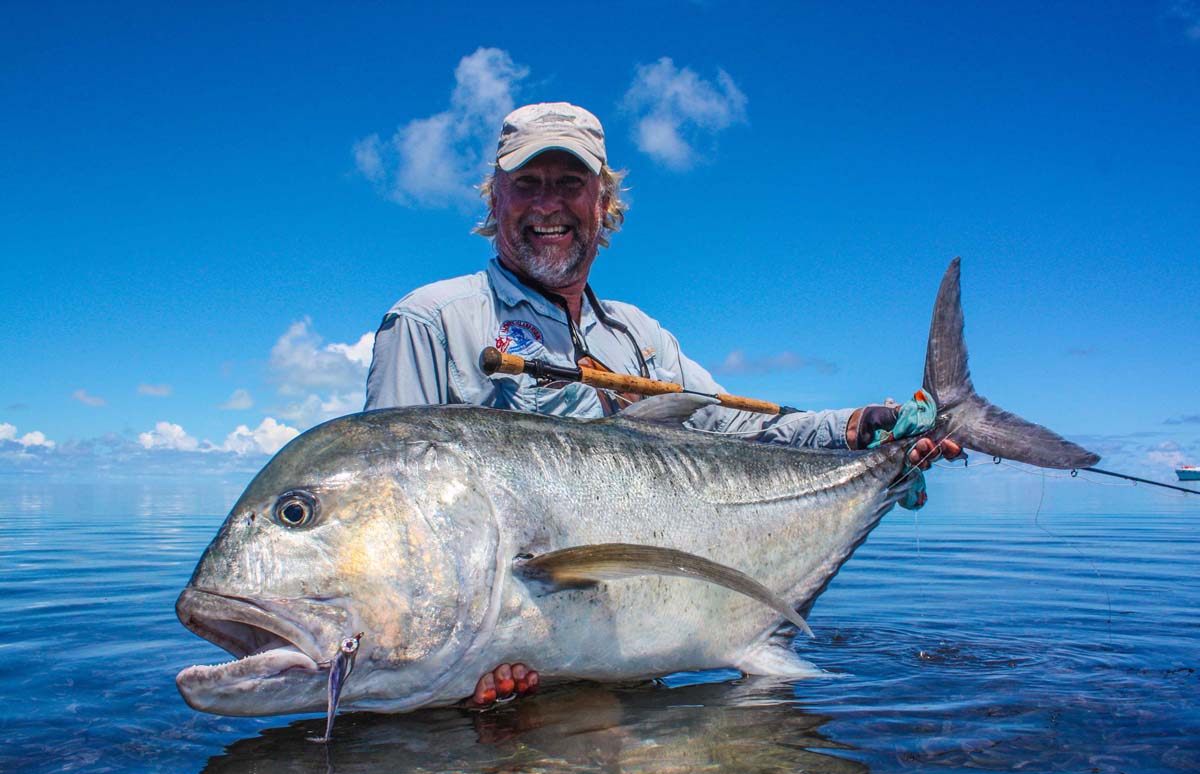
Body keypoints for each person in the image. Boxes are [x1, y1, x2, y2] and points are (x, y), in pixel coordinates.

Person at [364, 102, 959, 705]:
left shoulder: (639, 339)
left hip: (639, 693)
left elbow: (741, 428)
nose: (548, 204)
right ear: (495, 200)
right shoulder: (430, 324)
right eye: (526, 185)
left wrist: (862, 433)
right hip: (493, 704)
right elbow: (390, 522)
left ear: (603, 205)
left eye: (570, 184)